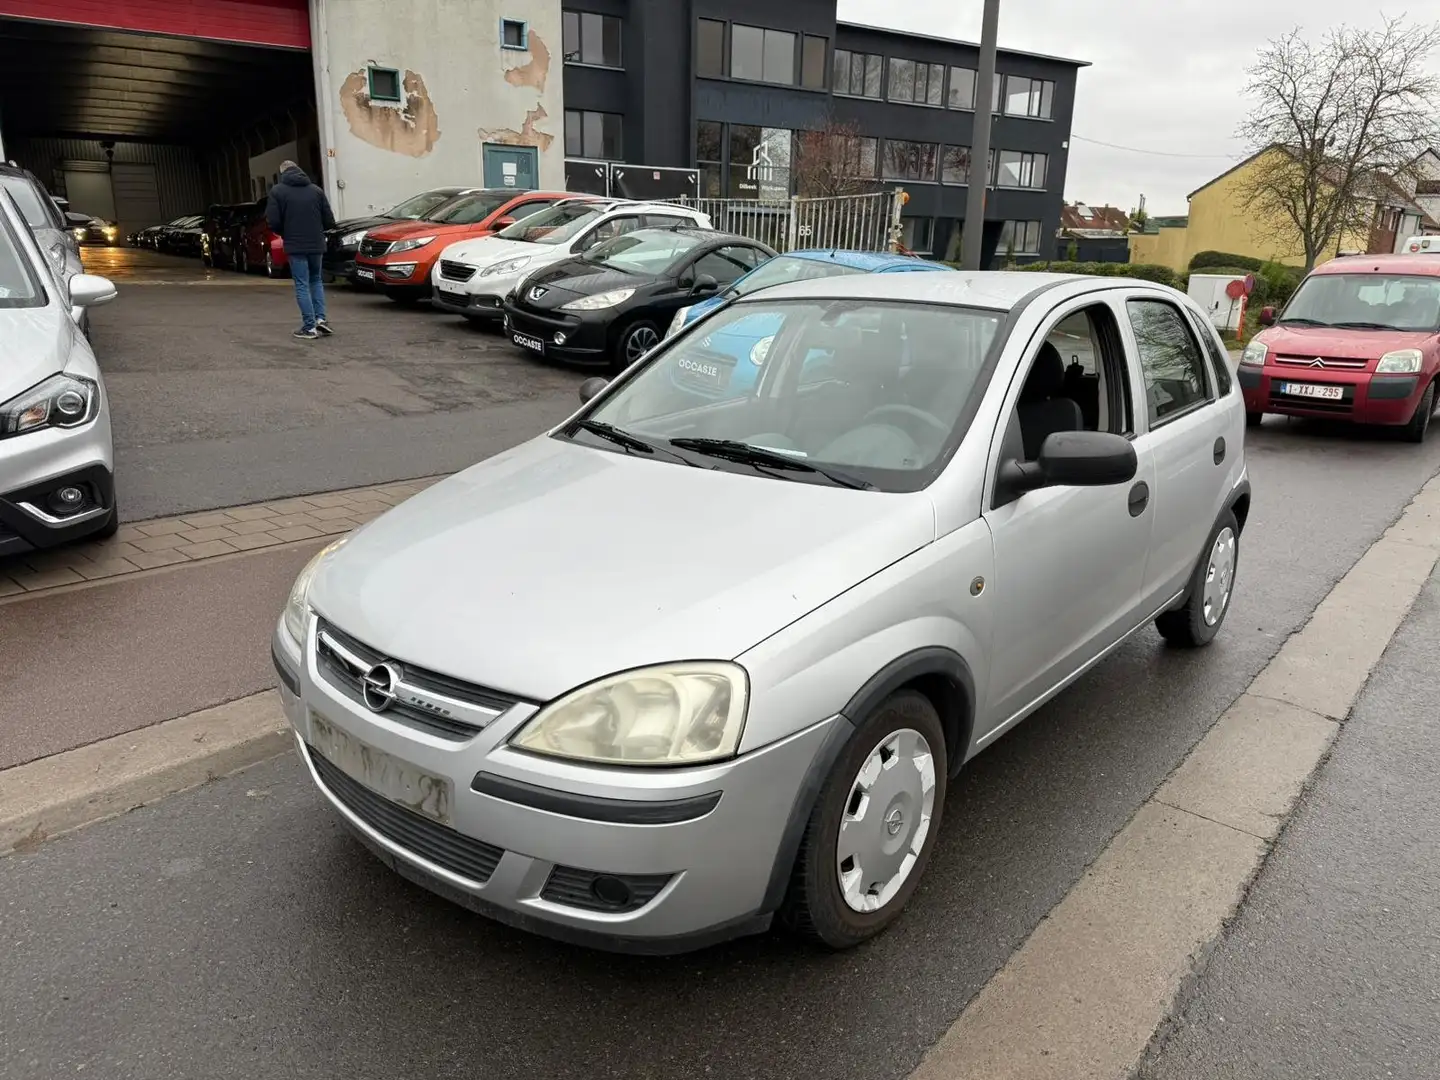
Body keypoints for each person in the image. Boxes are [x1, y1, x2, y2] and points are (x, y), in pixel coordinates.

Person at [265, 160, 336, 340]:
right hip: (316, 244)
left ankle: (309, 327)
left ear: (282, 173)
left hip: (295, 246)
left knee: (302, 284)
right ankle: (321, 319)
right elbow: (329, 221)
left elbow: (273, 221)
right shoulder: (316, 191)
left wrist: (285, 232)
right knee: (316, 280)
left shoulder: (278, 192)